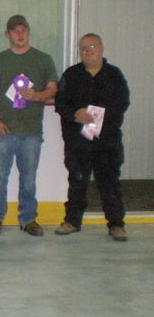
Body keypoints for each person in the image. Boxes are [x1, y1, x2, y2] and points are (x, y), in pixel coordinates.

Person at [0, 15, 58, 237]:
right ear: (7, 34)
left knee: (29, 178)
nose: (20, 34)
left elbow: (53, 88)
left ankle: (28, 219)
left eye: (23, 29)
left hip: (31, 131)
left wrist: (37, 95)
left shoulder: (43, 59)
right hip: (3, 130)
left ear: (29, 31)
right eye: (15, 30)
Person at [54, 33, 130, 241]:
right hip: (78, 142)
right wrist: (75, 114)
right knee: (77, 181)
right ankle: (71, 221)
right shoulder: (71, 75)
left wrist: (103, 117)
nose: (88, 51)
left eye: (92, 46)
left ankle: (116, 224)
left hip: (107, 142)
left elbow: (123, 103)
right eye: (84, 48)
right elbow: (60, 103)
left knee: (110, 183)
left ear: (101, 48)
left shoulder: (114, 75)